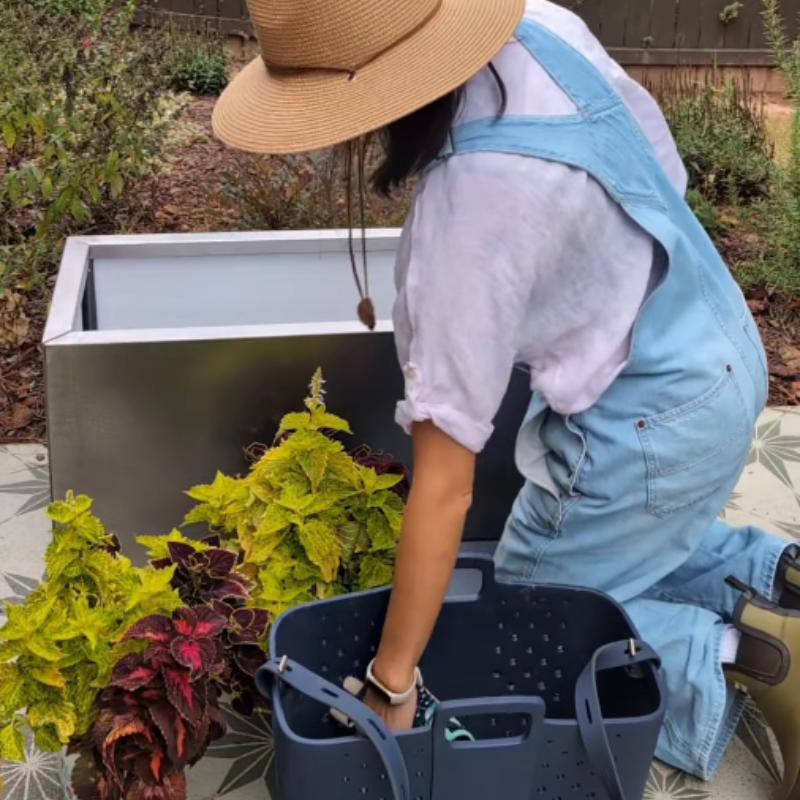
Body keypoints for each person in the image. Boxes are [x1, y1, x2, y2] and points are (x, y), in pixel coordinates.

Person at [213, 1, 800, 798]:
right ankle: (775, 577)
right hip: (714, 339)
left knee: (533, 608)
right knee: (629, 538)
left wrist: (391, 683)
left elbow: (447, 486)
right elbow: (662, 173)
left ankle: (749, 660)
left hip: (647, 425)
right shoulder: (541, 26)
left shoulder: (472, 210)